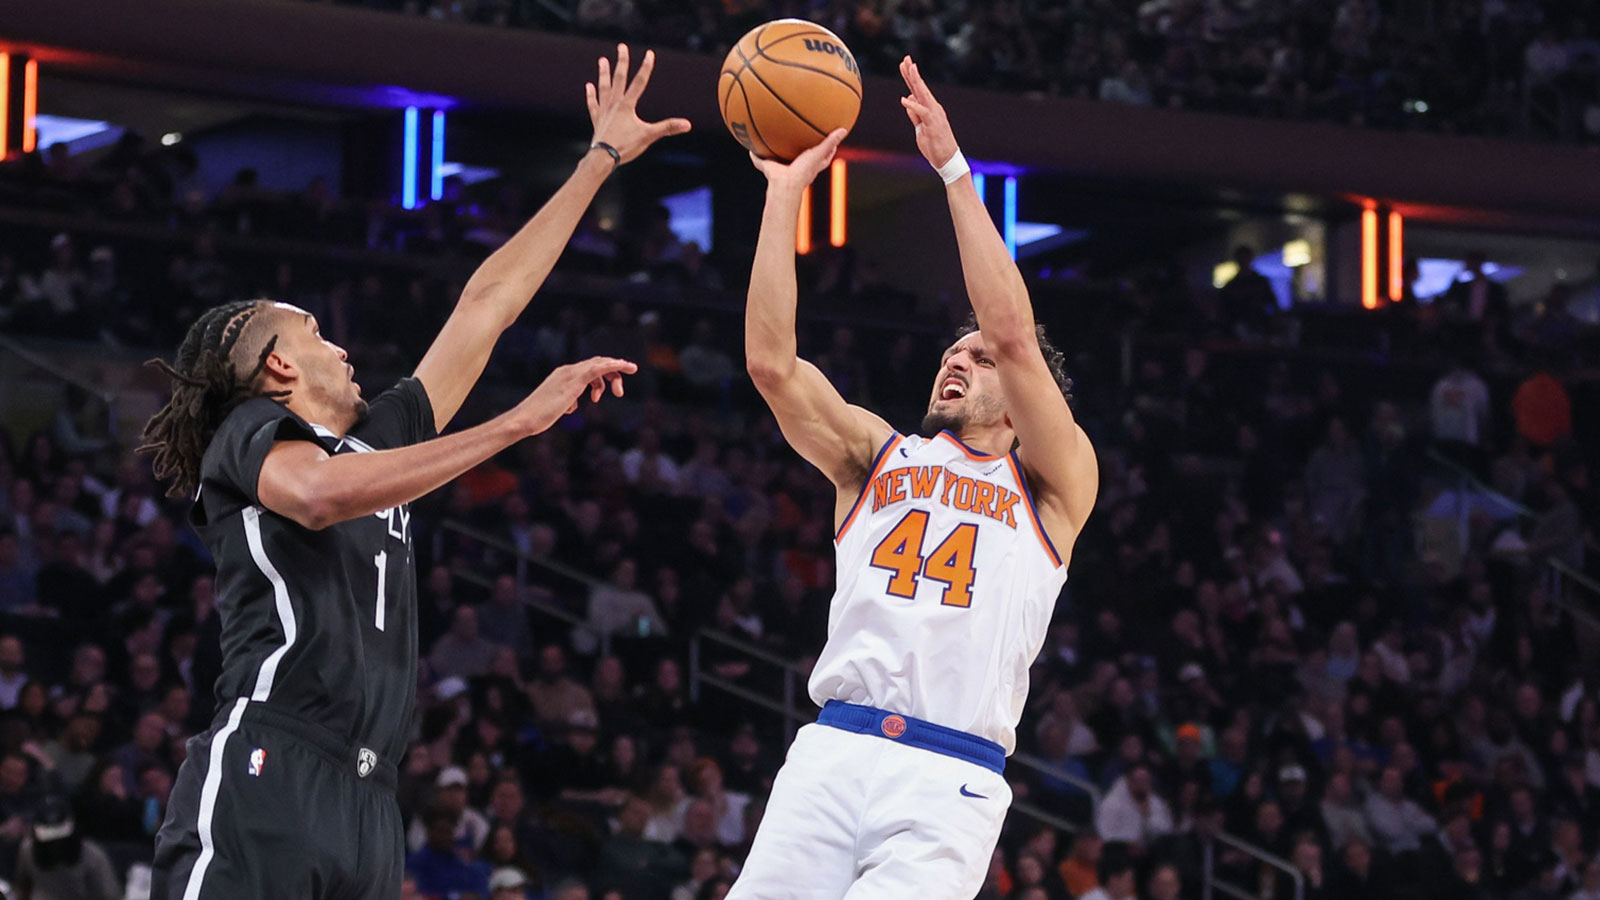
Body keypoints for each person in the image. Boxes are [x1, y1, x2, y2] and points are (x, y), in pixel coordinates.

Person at [143, 45, 687, 900]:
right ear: (278, 367)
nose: (342, 347)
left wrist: (601, 159)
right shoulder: (249, 435)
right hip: (272, 762)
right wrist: (516, 423)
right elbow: (316, 495)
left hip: (371, 797)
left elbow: (487, 305)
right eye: (317, 333)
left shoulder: (378, 438)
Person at [726, 56, 1098, 900]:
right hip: (832, 750)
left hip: (947, 776)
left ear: (1024, 399)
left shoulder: (1054, 483)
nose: (956, 360)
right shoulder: (875, 454)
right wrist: (782, 195)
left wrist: (953, 170)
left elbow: (1013, 333)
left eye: (978, 358)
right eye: (952, 351)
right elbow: (771, 365)